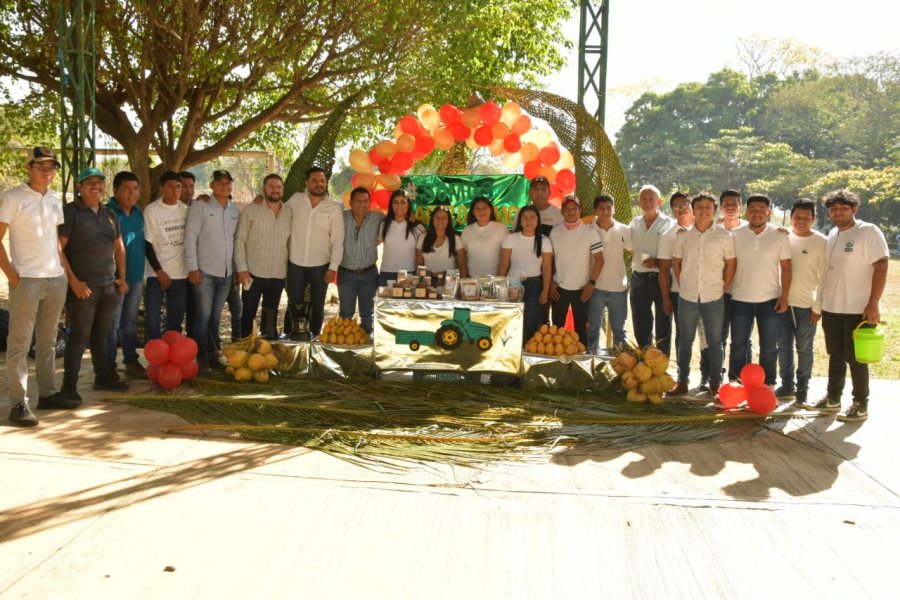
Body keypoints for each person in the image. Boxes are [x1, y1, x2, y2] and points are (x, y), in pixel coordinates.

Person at [1, 148, 74, 426]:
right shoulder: (12, 198)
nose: (47, 171)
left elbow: (55, 240)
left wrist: (63, 272)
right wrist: (13, 276)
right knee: (19, 343)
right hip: (27, 279)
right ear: (28, 167)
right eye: (41, 165)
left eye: (51, 166)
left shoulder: (55, 198)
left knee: (47, 341)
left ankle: (48, 392)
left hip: (55, 278)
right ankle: (18, 403)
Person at [803, 189, 888, 422]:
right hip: (832, 307)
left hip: (858, 309)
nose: (838, 212)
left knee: (856, 358)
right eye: (833, 209)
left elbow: (881, 265)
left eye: (843, 208)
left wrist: (873, 304)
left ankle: (861, 404)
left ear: (854, 210)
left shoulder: (868, 231)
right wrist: (819, 306)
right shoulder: (832, 234)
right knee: (835, 355)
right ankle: (833, 399)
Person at [59, 167, 129, 400]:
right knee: (79, 335)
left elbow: (119, 248)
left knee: (102, 333)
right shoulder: (71, 212)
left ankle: (103, 377)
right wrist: (74, 281)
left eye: (100, 182)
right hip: (83, 288)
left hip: (109, 286)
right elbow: (58, 249)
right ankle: (69, 387)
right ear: (79, 187)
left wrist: (122, 278)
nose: (96, 187)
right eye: (89, 183)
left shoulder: (109, 213)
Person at [671, 193, 736, 397]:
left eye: (708, 207)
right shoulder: (683, 236)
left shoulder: (724, 236)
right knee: (685, 340)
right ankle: (682, 381)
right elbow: (676, 262)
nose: (704, 210)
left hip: (714, 296)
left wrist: (722, 287)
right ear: (693, 209)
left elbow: (731, 264)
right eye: (699, 207)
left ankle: (715, 383)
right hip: (687, 296)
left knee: (715, 342)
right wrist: (684, 284)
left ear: (714, 210)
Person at [728, 194, 791, 386]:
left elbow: (787, 268)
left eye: (761, 209)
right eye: (752, 209)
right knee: (738, 344)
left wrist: (784, 296)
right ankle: (736, 382)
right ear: (746, 212)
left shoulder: (780, 235)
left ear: (768, 212)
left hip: (770, 299)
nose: (757, 213)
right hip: (739, 298)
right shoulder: (735, 234)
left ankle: (768, 383)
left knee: (769, 347)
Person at [185, 169, 240, 368]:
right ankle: (201, 356)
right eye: (220, 183)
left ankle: (213, 353)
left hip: (226, 273)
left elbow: (234, 241)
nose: (224, 186)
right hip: (204, 271)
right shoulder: (201, 206)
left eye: (228, 183)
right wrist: (192, 267)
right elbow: (190, 237)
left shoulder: (234, 210)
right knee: (203, 316)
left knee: (216, 316)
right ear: (212, 186)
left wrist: (234, 270)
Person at [774, 199, 826, 404]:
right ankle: (787, 385)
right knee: (783, 347)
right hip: (781, 303)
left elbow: (824, 278)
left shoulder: (821, 241)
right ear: (791, 217)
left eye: (806, 218)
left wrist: (818, 306)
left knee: (804, 349)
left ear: (813, 219)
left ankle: (803, 388)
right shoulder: (783, 236)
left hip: (807, 306)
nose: (800, 221)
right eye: (797, 217)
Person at [284, 166, 344, 338]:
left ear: (326, 183)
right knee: (294, 303)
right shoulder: (295, 200)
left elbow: (338, 240)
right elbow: (278, 210)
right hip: (295, 263)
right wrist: (260, 199)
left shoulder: (334, 208)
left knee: (317, 304)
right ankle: (290, 337)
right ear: (307, 183)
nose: (319, 184)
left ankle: (315, 337)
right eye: (315, 181)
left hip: (322, 265)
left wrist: (333, 268)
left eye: (322, 181)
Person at [235, 173, 291, 339]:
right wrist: (242, 269)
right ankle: (245, 349)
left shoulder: (289, 212)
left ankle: (267, 352)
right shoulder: (251, 210)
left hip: (278, 274)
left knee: (270, 318)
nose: (275, 190)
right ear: (264, 189)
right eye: (271, 186)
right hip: (253, 273)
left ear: (283, 190)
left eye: (278, 187)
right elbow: (240, 240)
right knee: (248, 313)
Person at [700, 189, 747, 385]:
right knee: (714, 336)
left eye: (734, 204)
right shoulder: (712, 230)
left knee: (742, 339)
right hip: (717, 293)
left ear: (740, 207)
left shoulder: (748, 229)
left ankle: (737, 378)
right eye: (726, 204)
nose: (730, 207)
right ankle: (709, 374)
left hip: (743, 293)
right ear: (720, 208)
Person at [105, 171, 147, 378]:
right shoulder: (107, 213)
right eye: (127, 189)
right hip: (114, 279)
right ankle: (108, 367)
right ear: (115, 191)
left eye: (135, 188)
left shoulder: (138, 212)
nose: (132, 193)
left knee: (129, 322)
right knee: (111, 324)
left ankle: (130, 360)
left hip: (136, 276)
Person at [548, 195, 603, 344]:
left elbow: (599, 260)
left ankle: (581, 364)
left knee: (581, 330)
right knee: (556, 330)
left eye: (574, 209)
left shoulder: (590, 232)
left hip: (582, 289)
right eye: (567, 209)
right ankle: (557, 364)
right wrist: (551, 282)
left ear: (579, 210)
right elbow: (551, 259)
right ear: (562, 212)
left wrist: (591, 284)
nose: (571, 212)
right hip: (559, 289)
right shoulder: (555, 232)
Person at [628, 184, 674, 355]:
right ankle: (644, 359)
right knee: (641, 322)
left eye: (651, 199)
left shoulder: (669, 223)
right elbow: (628, 245)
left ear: (659, 201)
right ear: (639, 202)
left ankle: (662, 361)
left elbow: (675, 250)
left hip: (661, 278)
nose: (647, 202)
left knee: (664, 322)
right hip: (639, 278)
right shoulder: (634, 223)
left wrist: (658, 261)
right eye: (644, 199)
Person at [143, 171, 189, 340]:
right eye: (170, 186)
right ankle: (154, 359)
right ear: (162, 188)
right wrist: (159, 271)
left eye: (178, 186)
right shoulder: (152, 210)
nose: (175, 190)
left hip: (180, 273)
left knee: (175, 322)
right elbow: (147, 243)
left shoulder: (186, 210)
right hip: (156, 273)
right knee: (153, 319)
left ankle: (173, 358)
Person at [498, 205, 553, 343]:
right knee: (512, 319)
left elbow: (546, 268)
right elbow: (504, 264)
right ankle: (511, 350)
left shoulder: (545, 241)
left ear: (538, 220)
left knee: (531, 322)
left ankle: (526, 350)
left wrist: (545, 290)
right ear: (520, 221)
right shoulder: (510, 238)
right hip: (513, 285)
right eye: (525, 218)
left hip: (535, 286)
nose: (529, 221)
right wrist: (498, 286)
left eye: (532, 218)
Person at [587, 194, 632, 351]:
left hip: (618, 287)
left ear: (613, 209)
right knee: (593, 327)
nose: (605, 211)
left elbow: (634, 253)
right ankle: (592, 360)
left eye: (608, 207)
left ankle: (620, 361)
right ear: (596, 210)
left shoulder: (624, 230)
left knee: (619, 330)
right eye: (601, 208)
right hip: (596, 287)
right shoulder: (588, 230)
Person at [338, 187, 382, 334]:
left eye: (365, 201)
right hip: (346, 274)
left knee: (367, 314)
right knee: (345, 314)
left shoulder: (377, 218)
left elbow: (396, 221)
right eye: (358, 201)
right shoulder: (340, 217)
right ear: (350, 202)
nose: (362, 204)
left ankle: (367, 348)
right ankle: (345, 351)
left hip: (369, 273)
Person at [657, 191, 694, 363]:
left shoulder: (705, 230)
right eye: (676, 206)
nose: (681, 209)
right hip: (678, 293)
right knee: (683, 334)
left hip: (707, 292)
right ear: (672, 210)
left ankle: (707, 375)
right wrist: (666, 298)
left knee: (707, 334)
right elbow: (664, 270)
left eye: (685, 205)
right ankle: (681, 373)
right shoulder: (668, 236)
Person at [378, 189, 425, 286]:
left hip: (409, 274)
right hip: (386, 274)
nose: (399, 206)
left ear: (408, 205)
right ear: (391, 205)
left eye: (403, 202)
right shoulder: (384, 224)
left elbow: (423, 253)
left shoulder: (418, 227)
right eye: (395, 202)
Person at [461, 196, 508, 277]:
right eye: (477, 209)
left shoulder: (501, 228)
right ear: (473, 212)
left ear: (490, 210)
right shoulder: (467, 230)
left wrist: (500, 278)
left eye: (484, 208)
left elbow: (506, 257)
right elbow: (462, 257)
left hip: (495, 278)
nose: (481, 211)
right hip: (472, 278)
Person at [417, 206, 466, 276]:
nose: (440, 220)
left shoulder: (455, 239)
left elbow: (462, 264)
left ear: (448, 221)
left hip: (449, 283)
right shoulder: (422, 237)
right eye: (437, 217)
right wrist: (421, 282)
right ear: (432, 219)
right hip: (428, 283)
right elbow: (419, 264)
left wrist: (462, 283)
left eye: (444, 218)